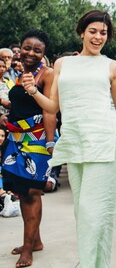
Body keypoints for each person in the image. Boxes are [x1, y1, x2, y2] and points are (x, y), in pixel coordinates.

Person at [23, 11, 116, 268]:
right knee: (82, 213)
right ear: (82, 32)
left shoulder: (112, 65)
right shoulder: (62, 64)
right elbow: (52, 106)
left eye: (103, 33)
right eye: (93, 31)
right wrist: (32, 91)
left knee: (96, 214)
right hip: (74, 141)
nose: (98, 37)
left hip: (103, 141)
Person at [0, 30, 57, 268]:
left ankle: (28, 249)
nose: (30, 53)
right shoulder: (22, 73)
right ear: (20, 49)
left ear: (44, 54)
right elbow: (23, 103)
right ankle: (35, 241)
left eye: (37, 50)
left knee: (32, 193)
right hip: (15, 139)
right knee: (22, 192)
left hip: (36, 141)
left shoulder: (48, 74)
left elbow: (50, 109)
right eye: (27, 48)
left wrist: (51, 143)